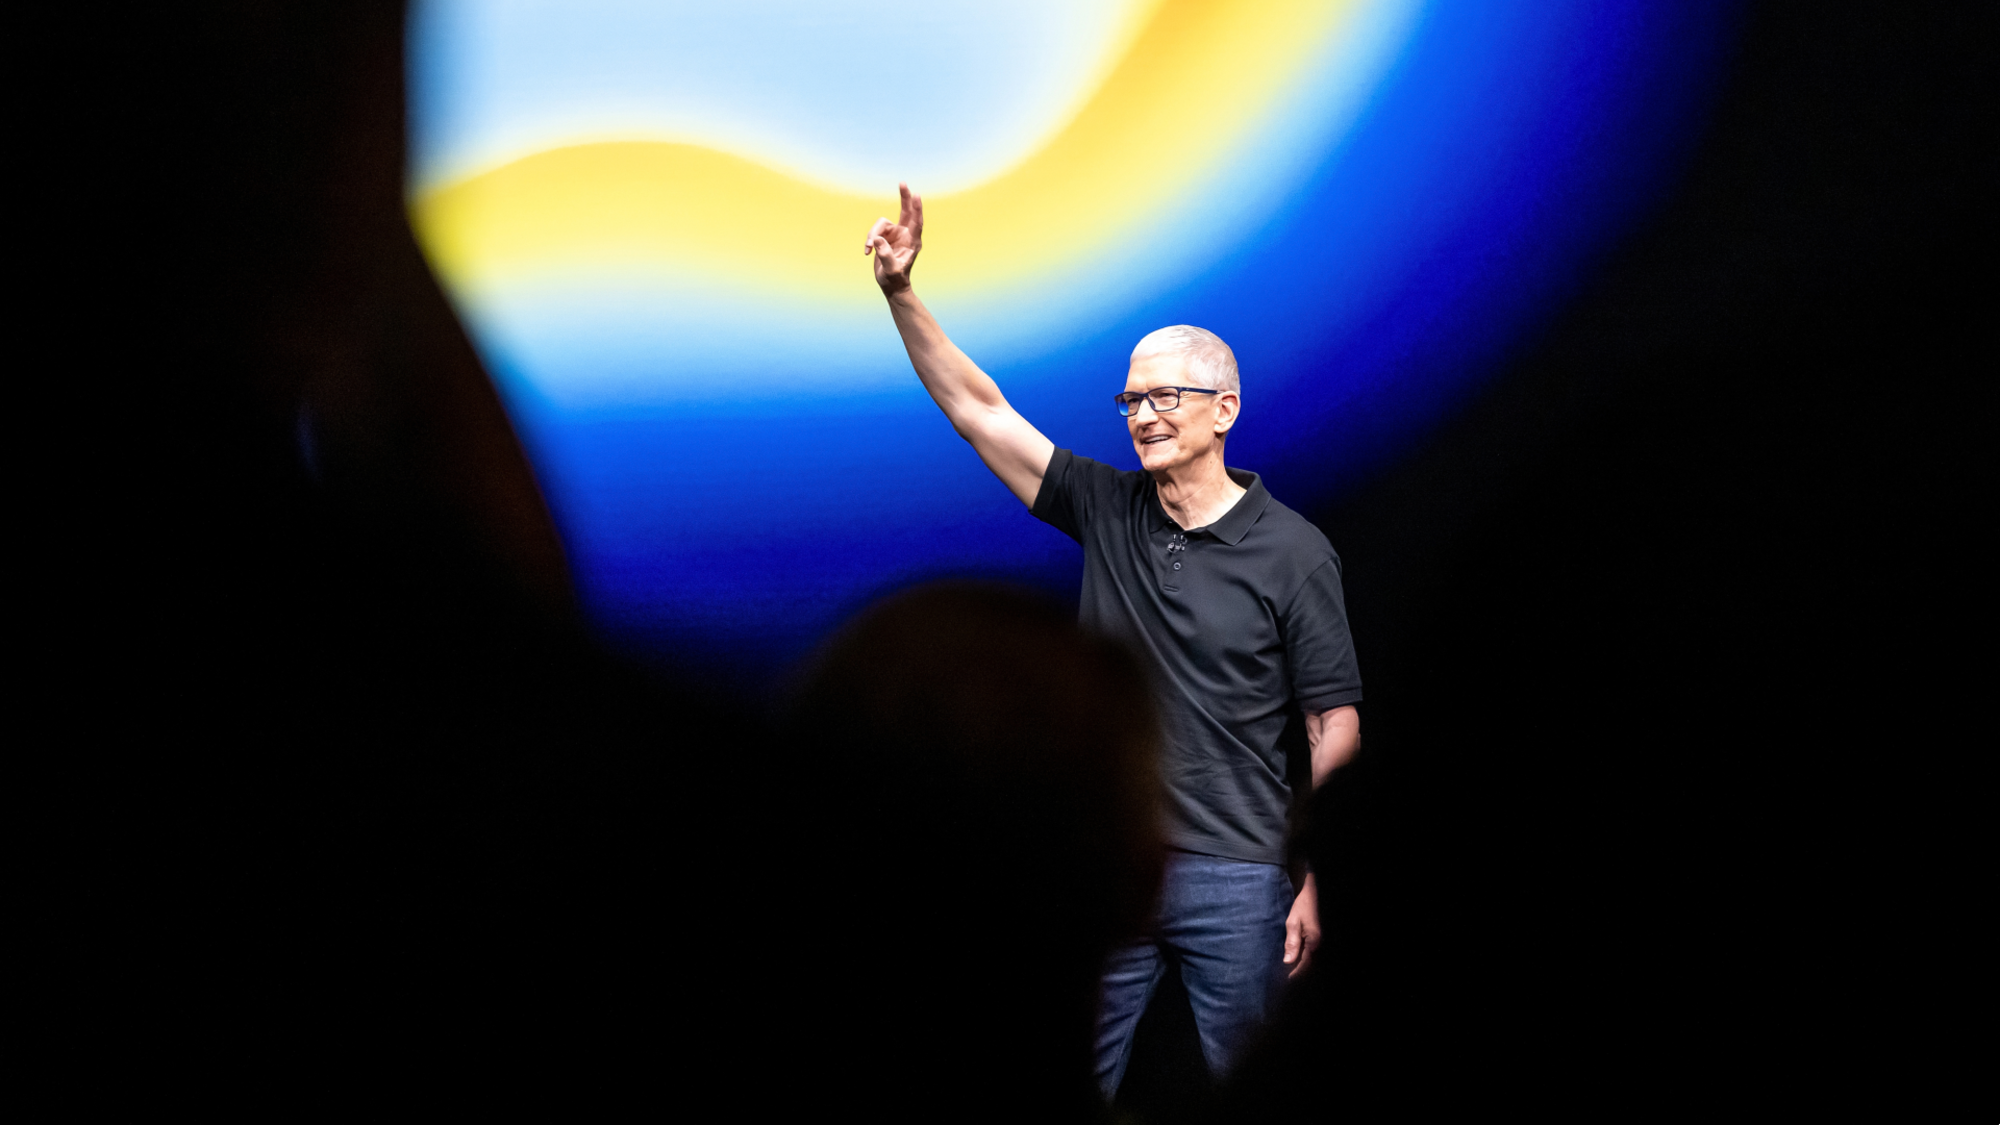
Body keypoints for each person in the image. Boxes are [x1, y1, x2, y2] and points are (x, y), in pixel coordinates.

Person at [864, 184, 1364, 1097]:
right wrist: (902, 291)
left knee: (1258, 1090)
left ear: (1226, 409)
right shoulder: (1106, 506)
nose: (1142, 414)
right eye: (1131, 399)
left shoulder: (1294, 551)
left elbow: (1334, 724)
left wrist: (1321, 876)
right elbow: (979, 409)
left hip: (1240, 878)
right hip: (1112, 862)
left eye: (1166, 395)